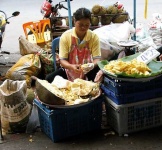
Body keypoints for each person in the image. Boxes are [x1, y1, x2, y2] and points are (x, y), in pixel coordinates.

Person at [45, 7, 101, 83]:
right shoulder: (66, 36)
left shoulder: (94, 37)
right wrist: (71, 66)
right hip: (69, 70)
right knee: (48, 79)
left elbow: (97, 59)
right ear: (74, 21)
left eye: (87, 25)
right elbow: (62, 60)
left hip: (87, 71)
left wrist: (92, 65)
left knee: (101, 78)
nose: (83, 27)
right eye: (80, 24)